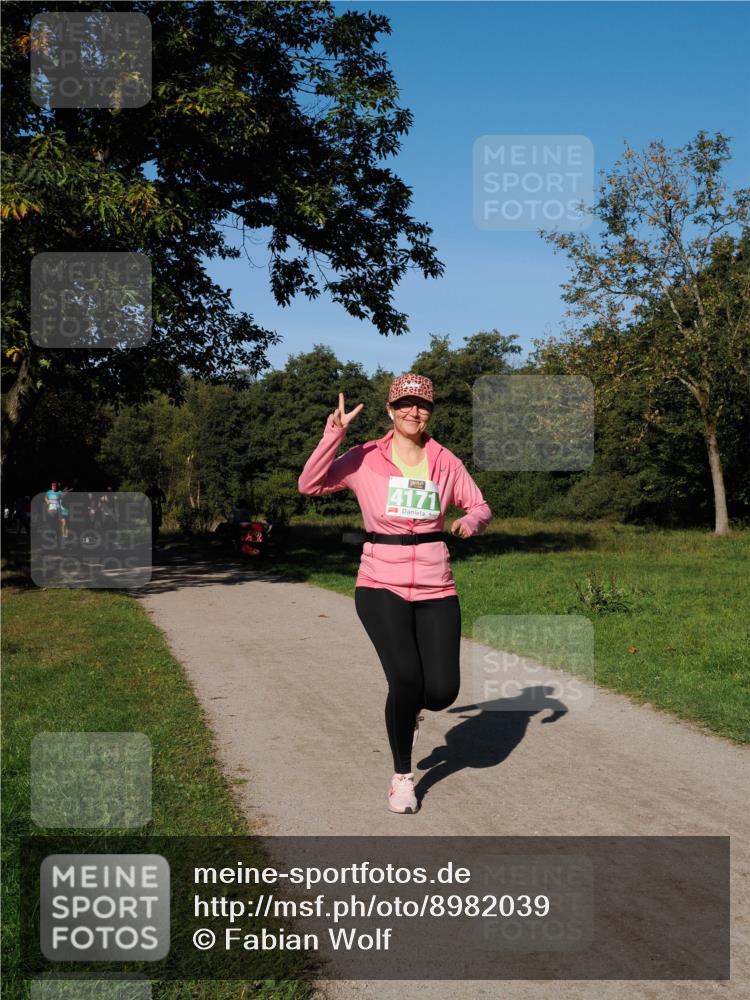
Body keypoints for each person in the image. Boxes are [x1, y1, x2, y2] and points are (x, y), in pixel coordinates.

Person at [298, 373, 492, 814]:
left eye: (421, 405)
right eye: (404, 404)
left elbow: (480, 505)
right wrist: (334, 433)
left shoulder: (445, 462)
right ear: (390, 409)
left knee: (441, 692)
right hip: (379, 581)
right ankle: (402, 777)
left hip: (435, 583)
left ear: (430, 412)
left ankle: (409, 711)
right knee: (405, 678)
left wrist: (469, 521)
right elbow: (310, 484)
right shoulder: (364, 457)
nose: (413, 411)